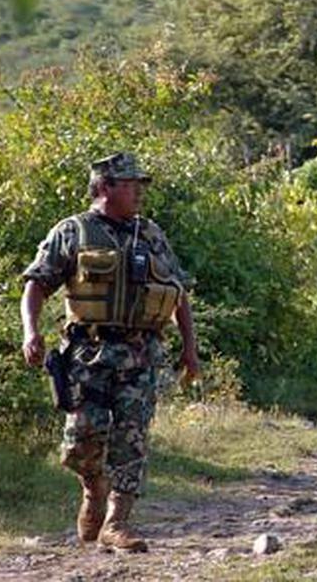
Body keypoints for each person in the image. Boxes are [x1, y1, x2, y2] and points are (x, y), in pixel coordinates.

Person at [20, 152, 199, 552]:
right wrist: (31, 333)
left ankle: (117, 522)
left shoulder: (149, 234)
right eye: (130, 184)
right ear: (105, 188)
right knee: (80, 439)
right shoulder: (73, 232)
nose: (138, 192)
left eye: (140, 185)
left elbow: (178, 294)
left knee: (131, 437)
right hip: (87, 355)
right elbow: (36, 285)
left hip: (141, 354)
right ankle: (94, 486)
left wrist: (190, 349)